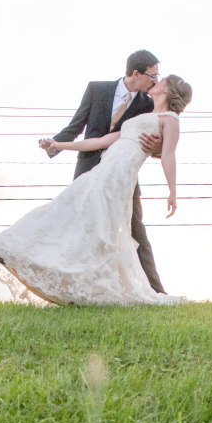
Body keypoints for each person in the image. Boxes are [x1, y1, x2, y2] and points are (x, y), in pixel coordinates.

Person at [0, 74, 192, 305]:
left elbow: (168, 155)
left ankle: (82, 283)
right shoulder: (143, 116)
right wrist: (59, 145)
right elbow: (99, 141)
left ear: (167, 91)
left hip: (118, 179)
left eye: (162, 79)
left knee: (96, 229)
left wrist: (172, 192)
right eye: (154, 75)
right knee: (63, 208)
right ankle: (5, 247)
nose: (157, 80)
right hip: (100, 173)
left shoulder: (170, 120)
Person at [45, 49, 166, 293]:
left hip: (123, 174)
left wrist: (158, 149)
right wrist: (54, 145)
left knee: (135, 229)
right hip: (89, 167)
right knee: (78, 224)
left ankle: (155, 290)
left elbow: (156, 139)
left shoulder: (149, 103)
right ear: (135, 73)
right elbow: (77, 124)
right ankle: (72, 287)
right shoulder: (96, 89)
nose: (155, 80)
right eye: (152, 75)